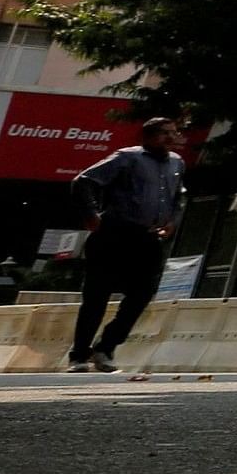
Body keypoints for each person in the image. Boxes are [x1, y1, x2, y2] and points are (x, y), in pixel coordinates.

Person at [67, 114, 186, 372]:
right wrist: (91, 214)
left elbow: (179, 197)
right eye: (164, 132)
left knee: (142, 294)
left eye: (174, 132)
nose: (171, 137)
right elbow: (83, 182)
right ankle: (78, 355)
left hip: (148, 237)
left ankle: (107, 346)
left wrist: (172, 221)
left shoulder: (177, 163)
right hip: (114, 233)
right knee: (97, 295)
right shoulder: (127, 157)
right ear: (148, 136)